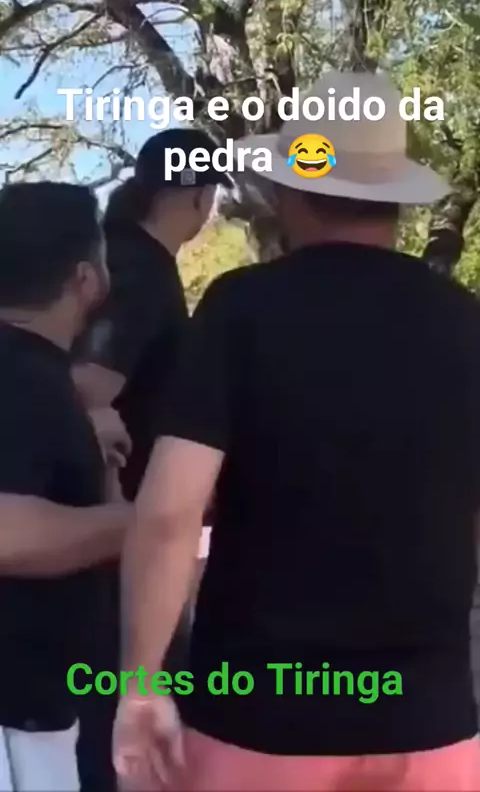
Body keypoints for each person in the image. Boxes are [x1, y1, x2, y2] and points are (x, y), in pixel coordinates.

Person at [114, 71, 480, 792]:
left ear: (289, 191)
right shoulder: (463, 320)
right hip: (429, 724)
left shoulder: (241, 308)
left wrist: (139, 684)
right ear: (395, 199)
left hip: (259, 722)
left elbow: (169, 514)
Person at [73, 127, 234, 791]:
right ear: (196, 198)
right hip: (117, 532)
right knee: (143, 708)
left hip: (110, 528)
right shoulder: (139, 270)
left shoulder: (119, 255)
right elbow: (89, 384)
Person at [0, 182, 130, 792]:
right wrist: (144, 520)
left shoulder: (39, 377)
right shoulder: (21, 378)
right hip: (13, 721)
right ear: (85, 277)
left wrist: (99, 458)